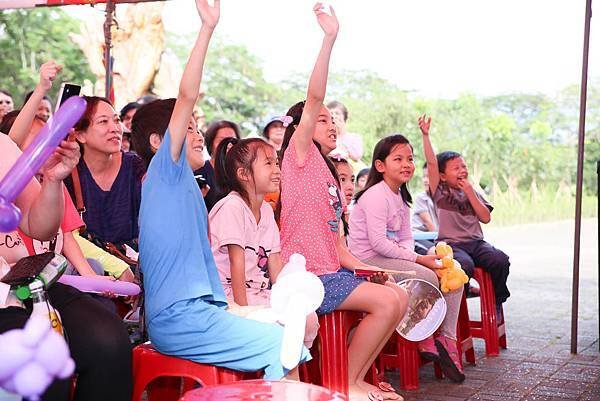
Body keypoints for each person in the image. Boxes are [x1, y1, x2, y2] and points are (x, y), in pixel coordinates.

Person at [138, 0, 308, 379]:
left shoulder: (184, 183)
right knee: (284, 343)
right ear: (157, 141)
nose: (197, 135)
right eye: (190, 128)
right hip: (179, 317)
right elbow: (186, 97)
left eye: (197, 129)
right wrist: (207, 29)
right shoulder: (165, 170)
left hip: (202, 309)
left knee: (293, 333)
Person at [278, 4, 407, 400]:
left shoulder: (330, 173)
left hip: (332, 271)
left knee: (398, 294)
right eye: (321, 119)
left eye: (333, 120)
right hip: (308, 280)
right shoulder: (298, 158)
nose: (330, 123)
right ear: (301, 127)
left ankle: (353, 376)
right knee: (386, 304)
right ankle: (346, 384)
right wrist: (329, 38)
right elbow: (314, 94)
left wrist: (367, 268)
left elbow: (338, 246)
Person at [0, 133, 132, 401]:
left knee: (108, 339)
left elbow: (40, 227)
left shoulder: (2, 146)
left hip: (21, 281)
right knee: (40, 361)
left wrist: (53, 179)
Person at [348, 134, 465, 383]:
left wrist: (414, 257)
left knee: (451, 272)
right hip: (367, 261)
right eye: (398, 158)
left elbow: (406, 238)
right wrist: (417, 260)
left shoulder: (400, 196)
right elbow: (378, 243)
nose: (407, 164)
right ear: (380, 166)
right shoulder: (375, 195)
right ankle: (420, 331)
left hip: (391, 257)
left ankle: (446, 338)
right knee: (425, 274)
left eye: (410, 159)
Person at [209, 137, 318, 348]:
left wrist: (288, 295)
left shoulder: (266, 210)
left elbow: (274, 263)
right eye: (268, 163)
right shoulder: (232, 206)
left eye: (276, 162)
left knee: (307, 317)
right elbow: (236, 264)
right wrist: (243, 312)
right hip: (228, 296)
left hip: (258, 292)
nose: (277, 169)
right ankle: (279, 374)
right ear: (243, 174)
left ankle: (288, 372)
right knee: (280, 324)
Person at [418, 115, 510, 317]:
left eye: (463, 166)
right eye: (456, 167)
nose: (462, 170)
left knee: (500, 259)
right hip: (452, 244)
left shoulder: (472, 191)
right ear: (443, 176)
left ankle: (497, 299)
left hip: (476, 243)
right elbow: (432, 164)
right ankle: (460, 303)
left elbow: (485, 218)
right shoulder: (440, 192)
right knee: (463, 265)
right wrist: (426, 135)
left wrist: (470, 192)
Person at [64, 96, 146, 251]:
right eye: (103, 121)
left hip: (136, 266)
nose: (115, 128)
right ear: (80, 135)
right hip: (89, 269)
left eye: (116, 120)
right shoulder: (68, 173)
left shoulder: (136, 166)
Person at [197, 119, 241, 210]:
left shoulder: (242, 176)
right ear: (210, 143)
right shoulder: (199, 173)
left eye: (232, 141)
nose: (228, 145)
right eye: (222, 140)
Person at [327, 100, 366, 169]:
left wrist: (341, 132)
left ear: (344, 117)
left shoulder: (354, 137)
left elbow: (357, 156)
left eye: (337, 113)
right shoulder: (325, 138)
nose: (334, 116)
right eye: (331, 113)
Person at [411, 163, 438, 255]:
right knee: (437, 252)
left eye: (429, 177)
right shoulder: (421, 198)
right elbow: (428, 222)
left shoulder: (444, 198)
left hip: (435, 237)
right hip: (420, 238)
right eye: (424, 177)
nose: (425, 180)